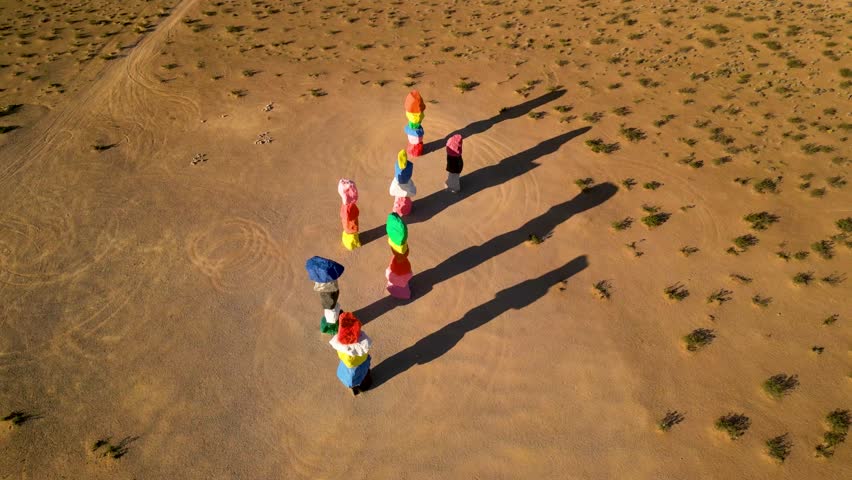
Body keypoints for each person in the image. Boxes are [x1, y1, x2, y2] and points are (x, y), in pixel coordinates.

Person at [329, 312, 373, 395]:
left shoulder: (340, 347)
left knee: (353, 373)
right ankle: (362, 386)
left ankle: (354, 386)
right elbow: (364, 355)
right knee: (364, 374)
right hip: (358, 369)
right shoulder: (360, 346)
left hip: (344, 372)